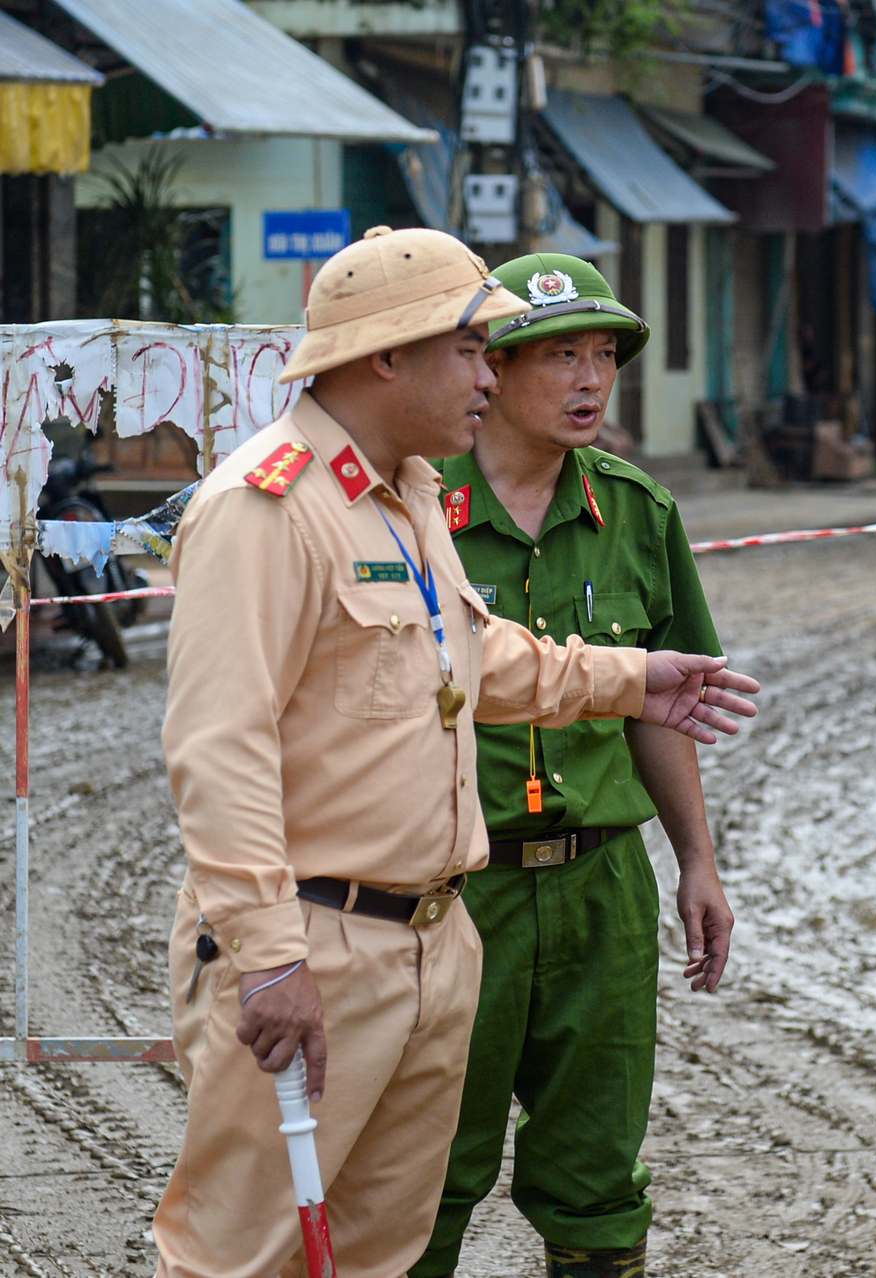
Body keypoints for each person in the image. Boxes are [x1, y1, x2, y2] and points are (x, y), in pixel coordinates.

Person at [155, 227, 759, 1278]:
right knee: (248, 1257)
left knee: (386, 1251)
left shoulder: (410, 496)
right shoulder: (267, 509)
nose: (491, 374)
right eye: (475, 349)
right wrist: (268, 957)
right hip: (316, 942)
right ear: (390, 353)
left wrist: (631, 678)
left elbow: (470, 656)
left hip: (433, 938)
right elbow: (219, 749)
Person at [413, 254, 729, 1278]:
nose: (592, 380)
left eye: (605, 356)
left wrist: (697, 861)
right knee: (423, 1175)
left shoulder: (638, 511)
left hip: (600, 885)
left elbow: (661, 700)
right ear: (492, 369)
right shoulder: (412, 512)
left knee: (597, 1175)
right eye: (562, 356)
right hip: (455, 889)